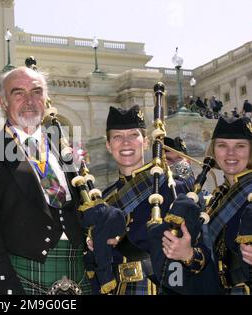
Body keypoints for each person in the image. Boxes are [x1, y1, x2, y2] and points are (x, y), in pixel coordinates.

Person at [0, 66, 94, 295]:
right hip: (22, 276)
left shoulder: (65, 152)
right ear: (2, 101)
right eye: (18, 93)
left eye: (37, 92)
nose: (30, 100)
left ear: (46, 99)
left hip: (78, 271)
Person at [97, 105, 192, 295]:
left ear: (146, 142)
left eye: (133, 135)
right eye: (117, 136)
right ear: (108, 145)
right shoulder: (105, 199)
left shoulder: (172, 186)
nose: (126, 143)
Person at [202, 116, 251, 294]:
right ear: (213, 151)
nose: (231, 153)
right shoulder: (216, 199)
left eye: (240, 146)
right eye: (222, 145)